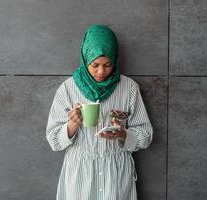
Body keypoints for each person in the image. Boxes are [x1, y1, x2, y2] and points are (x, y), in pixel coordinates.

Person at [46, 24, 153, 200]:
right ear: (85, 57)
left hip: (116, 172)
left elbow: (146, 136)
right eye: (94, 65)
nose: (101, 72)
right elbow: (54, 141)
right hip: (80, 172)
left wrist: (123, 134)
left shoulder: (129, 88)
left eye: (107, 65)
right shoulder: (67, 89)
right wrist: (72, 125)